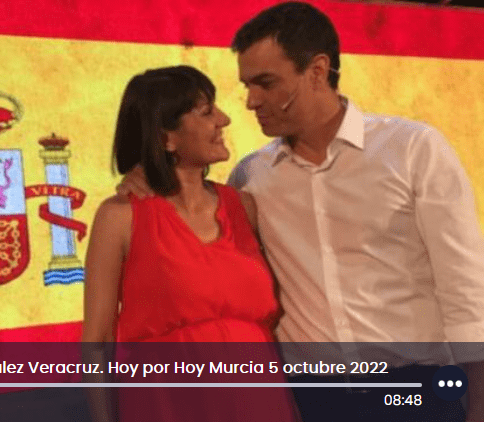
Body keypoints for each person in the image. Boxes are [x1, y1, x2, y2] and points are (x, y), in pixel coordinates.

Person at [116, 3, 484, 422]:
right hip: (310, 400)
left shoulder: (413, 149)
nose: (251, 102)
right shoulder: (250, 177)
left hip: (414, 390)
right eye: (247, 85)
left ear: (317, 71)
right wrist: (143, 178)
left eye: (266, 83)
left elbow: (464, 286)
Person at [81, 65, 299, 422]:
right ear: (166, 137)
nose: (224, 120)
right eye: (206, 112)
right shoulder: (119, 217)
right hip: (167, 406)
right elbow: (97, 341)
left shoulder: (243, 205)